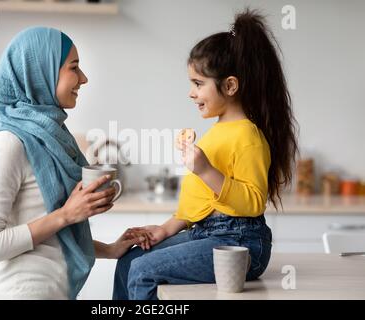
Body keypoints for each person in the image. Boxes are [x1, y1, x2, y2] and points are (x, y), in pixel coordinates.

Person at [113, 9, 299, 300]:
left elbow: (252, 202)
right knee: (127, 263)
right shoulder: (216, 131)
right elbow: (198, 204)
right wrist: (165, 229)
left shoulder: (248, 135)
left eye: (198, 84)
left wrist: (206, 170)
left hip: (240, 242)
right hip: (207, 233)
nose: (191, 92)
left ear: (230, 85)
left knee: (143, 270)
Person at [0, 26, 143, 300]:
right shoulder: (8, 142)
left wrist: (109, 249)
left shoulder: (53, 136)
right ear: (40, 73)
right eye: (74, 67)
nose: (83, 78)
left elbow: (48, 238)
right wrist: (66, 214)